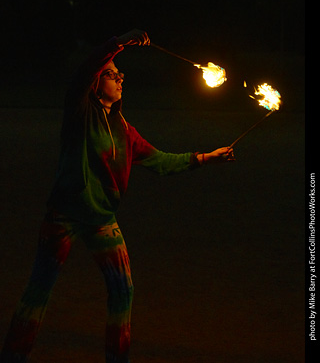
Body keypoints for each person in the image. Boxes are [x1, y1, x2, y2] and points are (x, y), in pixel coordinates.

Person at [0, 29, 234, 363]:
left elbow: (161, 161)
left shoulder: (124, 129)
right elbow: (86, 68)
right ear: (96, 84)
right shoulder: (80, 110)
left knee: (123, 290)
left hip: (101, 220)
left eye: (120, 72)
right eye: (112, 73)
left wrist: (207, 157)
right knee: (38, 290)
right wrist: (119, 42)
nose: (120, 76)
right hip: (63, 216)